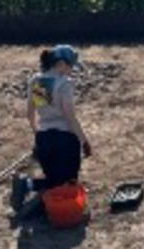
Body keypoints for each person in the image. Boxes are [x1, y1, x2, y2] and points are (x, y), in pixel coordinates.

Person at [11, 45, 92, 215]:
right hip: (65, 140)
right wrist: (84, 140)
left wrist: (38, 136)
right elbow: (69, 117)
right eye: (71, 66)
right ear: (61, 63)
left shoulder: (38, 81)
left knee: (54, 178)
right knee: (68, 183)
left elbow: (30, 114)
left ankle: (28, 185)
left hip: (44, 138)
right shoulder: (64, 83)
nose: (71, 70)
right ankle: (35, 194)